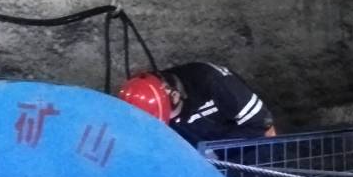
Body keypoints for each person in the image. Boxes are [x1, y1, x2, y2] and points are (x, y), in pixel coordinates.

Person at [118, 61, 276, 145]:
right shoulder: (146, 106)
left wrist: (214, 150)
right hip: (206, 155)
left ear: (175, 96)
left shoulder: (214, 82)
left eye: (168, 117)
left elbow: (264, 126)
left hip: (247, 147)